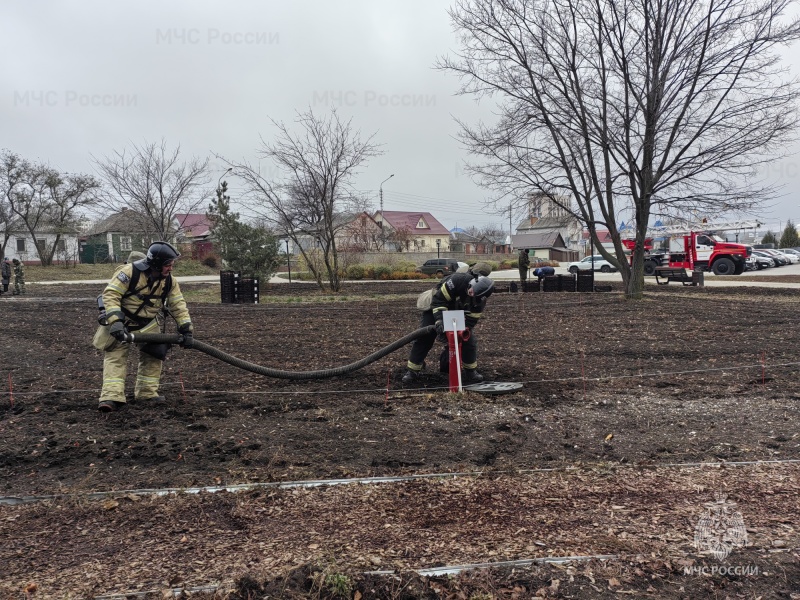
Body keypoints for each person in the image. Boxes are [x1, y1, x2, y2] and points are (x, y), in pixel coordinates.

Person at [96, 241, 194, 413]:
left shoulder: (170, 281)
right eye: (168, 265)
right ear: (156, 264)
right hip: (122, 322)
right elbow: (110, 295)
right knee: (115, 356)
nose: (171, 268)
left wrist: (186, 328)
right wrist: (115, 322)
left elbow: (178, 304)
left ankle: (147, 393)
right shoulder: (128, 273)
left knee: (155, 355)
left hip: (147, 324)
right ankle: (111, 397)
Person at [402, 272, 495, 385]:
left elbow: (471, 320)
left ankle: (471, 371)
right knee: (425, 337)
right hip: (436, 305)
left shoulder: (479, 302)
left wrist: (460, 334)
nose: (471, 293)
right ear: (471, 283)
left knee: (469, 341)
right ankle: (412, 371)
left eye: (474, 294)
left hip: (456, 311)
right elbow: (439, 300)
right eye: (471, 290)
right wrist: (439, 321)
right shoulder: (457, 281)